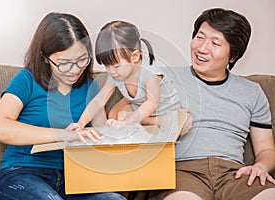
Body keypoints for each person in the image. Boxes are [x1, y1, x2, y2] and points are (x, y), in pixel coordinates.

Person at [112, 8, 275, 200]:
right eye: (200, 37)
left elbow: (266, 148)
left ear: (233, 56)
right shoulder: (163, 78)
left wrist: (261, 167)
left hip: (235, 175)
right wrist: (163, 121)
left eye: (215, 43)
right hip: (183, 171)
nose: (202, 48)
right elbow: (119, 112)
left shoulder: (252, 91)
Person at [0, 12, 126, 200]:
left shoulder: (90, 87)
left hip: (73, 180)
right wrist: (65, 134)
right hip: (22, 174)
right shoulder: (26, 80)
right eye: (64, 63)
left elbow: (103, 137)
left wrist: (126, 110)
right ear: (45, 57)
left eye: (82, 60)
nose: (75, 69)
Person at [73, 20, 181, 132]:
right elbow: (98, 101)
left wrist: (126, 122)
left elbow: (152, 103)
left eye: (116, 66)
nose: (111, 71)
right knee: (115, 115)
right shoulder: (115, 75)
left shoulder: (150, 74)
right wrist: (81, 123)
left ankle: (147, 122)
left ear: (134, 56)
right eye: (106, 66)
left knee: (127, 119)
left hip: (164, 111)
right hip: (140, 108)